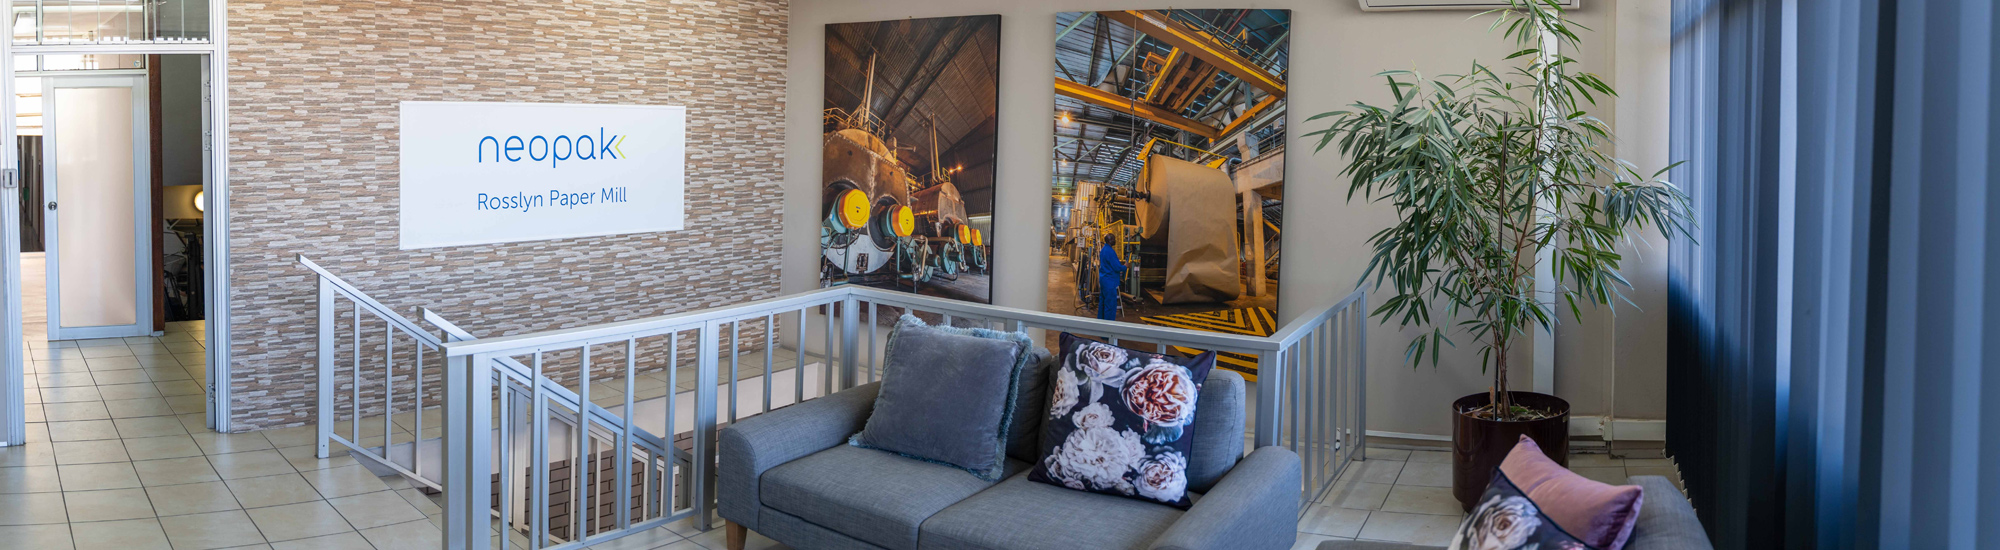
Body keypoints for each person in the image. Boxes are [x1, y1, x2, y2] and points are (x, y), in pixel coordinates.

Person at [1096, 239, 1123, 321]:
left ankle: (1100, 322)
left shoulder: (1103, 249)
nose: (1115, 241)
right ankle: (1109, 325)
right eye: (1113, 239)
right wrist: (1125, 266)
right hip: (1110, 282)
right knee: (1110, 305)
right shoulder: (1110, 252)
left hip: (1103, 280)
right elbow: (1117, 267)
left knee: (1103, 303)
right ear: (1110, 241)